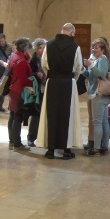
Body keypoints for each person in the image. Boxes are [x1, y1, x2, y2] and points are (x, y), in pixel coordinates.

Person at [36, 23, 83, 160]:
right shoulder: (75, 47)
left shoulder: (49, 45)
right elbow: (78, 67)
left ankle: (50, 150)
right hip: (68, 82)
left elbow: (44, 64)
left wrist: (52, 75)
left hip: (53, 82)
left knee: (51, 114)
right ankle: (66, 150)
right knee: (68, 115)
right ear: (72, 33)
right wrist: (72, 78)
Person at [82, 39, 110, 157]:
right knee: (103, 121)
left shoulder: (103, 59)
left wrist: (91, 65)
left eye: (96, 48)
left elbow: (102, 74)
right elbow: (92, 75)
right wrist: (84, 70)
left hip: (99, 94)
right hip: (96, 92)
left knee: (98, 122)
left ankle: (96, 148)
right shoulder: (96, 59)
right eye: (92, 47)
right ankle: (104, 146)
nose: (93, 50)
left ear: (102, 50)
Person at [6, 38, 33, 151]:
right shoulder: (21, 61)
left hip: (13, 89)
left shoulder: (14, 57)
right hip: (19, 91)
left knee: (12, 116)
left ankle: (12, 141)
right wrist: (33, 82)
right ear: (25, 48)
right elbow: (23, 79)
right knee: (18, 117)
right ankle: (17, 143)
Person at [27, 38, 47, 147]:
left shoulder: (48, 58)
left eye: (44, 47)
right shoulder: (33, 60)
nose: (42, 50)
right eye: (40, 48)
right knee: (36, 114)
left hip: (47, 87)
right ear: (36, 49)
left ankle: (44, 137)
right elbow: (29, 73)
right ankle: (31, 137)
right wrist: (36, 74)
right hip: (38, 88)